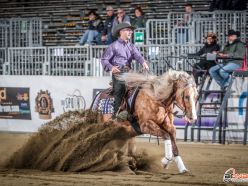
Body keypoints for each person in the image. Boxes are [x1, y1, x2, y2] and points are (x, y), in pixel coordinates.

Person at [101, 22, 149, 119]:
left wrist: (143, 62)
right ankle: (116, 114)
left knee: (143, 85)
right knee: (120, 90)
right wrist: (112, 68)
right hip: (119, 72)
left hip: (129, 72)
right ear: (121, 32)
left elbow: (138, 56)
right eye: (128, 30)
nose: (131, 32)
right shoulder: (113, 46)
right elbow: (104, 60)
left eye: (131, 30)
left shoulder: (131, 46)